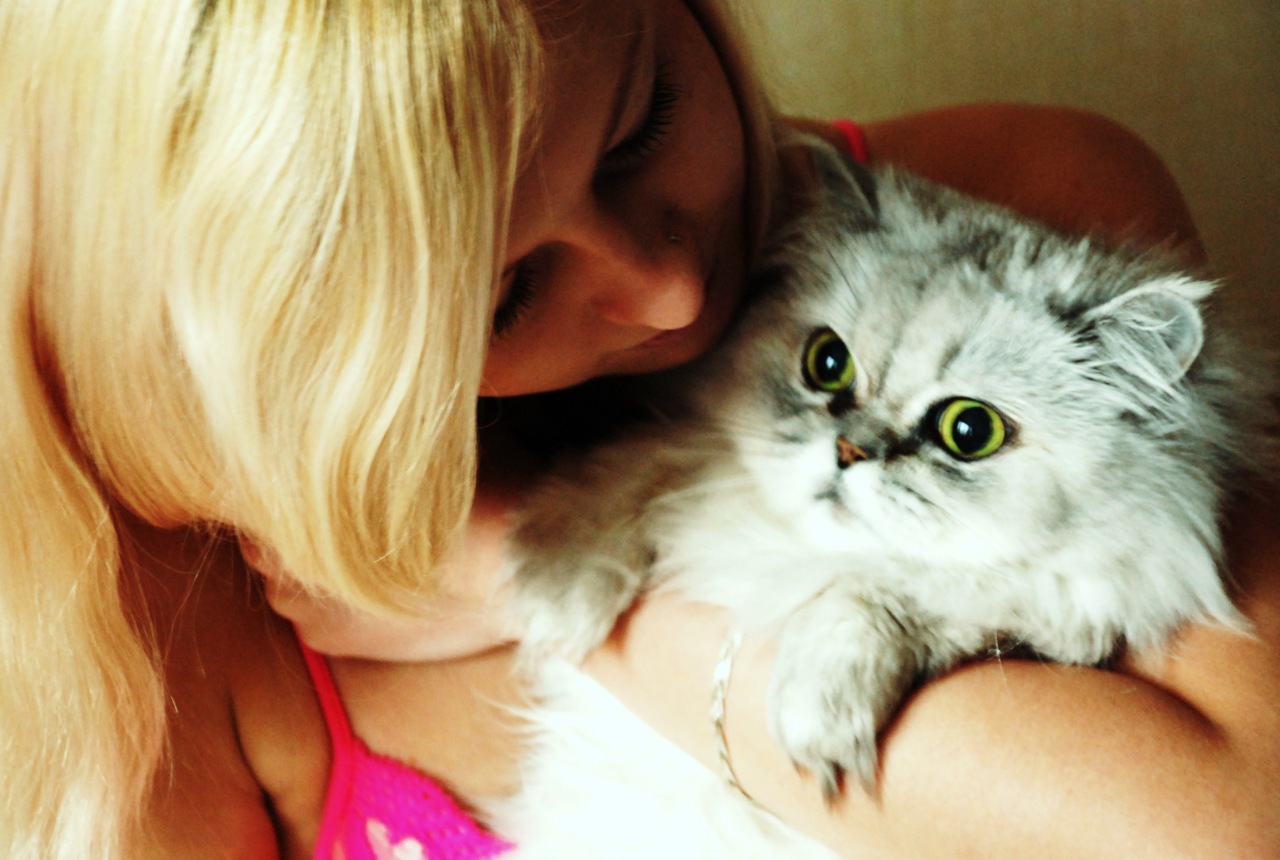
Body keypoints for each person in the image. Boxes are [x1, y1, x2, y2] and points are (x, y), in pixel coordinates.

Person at [1, 4, 1275, 860]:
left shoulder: (1032, 201)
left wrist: (536, 564)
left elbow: (1227, 827)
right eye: (507, 293)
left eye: (640, 125)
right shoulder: (189, 595)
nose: (663, 287)